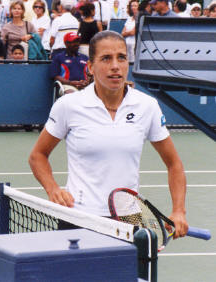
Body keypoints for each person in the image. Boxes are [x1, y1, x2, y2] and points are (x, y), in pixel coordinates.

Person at [29, 30, 188, 238]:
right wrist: (53, 189)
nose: (115, 66)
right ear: (91, 67)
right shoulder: (69, 105)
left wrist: (179, 210)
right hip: (78, 218)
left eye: (121, 57)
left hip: (129, 220)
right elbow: (37, 156)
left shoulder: (147, 106)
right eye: (106, 58)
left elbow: (174, 164)